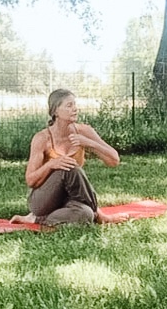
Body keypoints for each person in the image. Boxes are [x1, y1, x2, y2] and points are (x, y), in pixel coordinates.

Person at [10, 88, 125, 227]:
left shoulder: (84, 131)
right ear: (55, 112)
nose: (75, 109)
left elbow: (114, 160)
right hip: (43, 201)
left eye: (75, 105)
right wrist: (51, 165)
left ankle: (36, 219)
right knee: (69, 167)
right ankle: (100, 215)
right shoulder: (42, 138)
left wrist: (89, 142)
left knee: (85, 215)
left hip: (70, 200)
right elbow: (30, 180)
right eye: (69, 105)